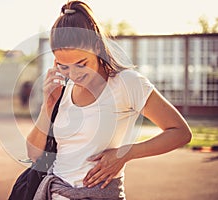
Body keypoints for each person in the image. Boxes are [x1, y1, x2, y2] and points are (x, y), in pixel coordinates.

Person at [26, 1, 192, 199]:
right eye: (64, 66)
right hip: (54, 193)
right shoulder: (62, 89)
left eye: (81, 64)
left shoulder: (127, 83)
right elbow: (34, 154)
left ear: (97, 46)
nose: (74, 74)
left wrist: (126, 153)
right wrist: (49, 104)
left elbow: (180, 133)